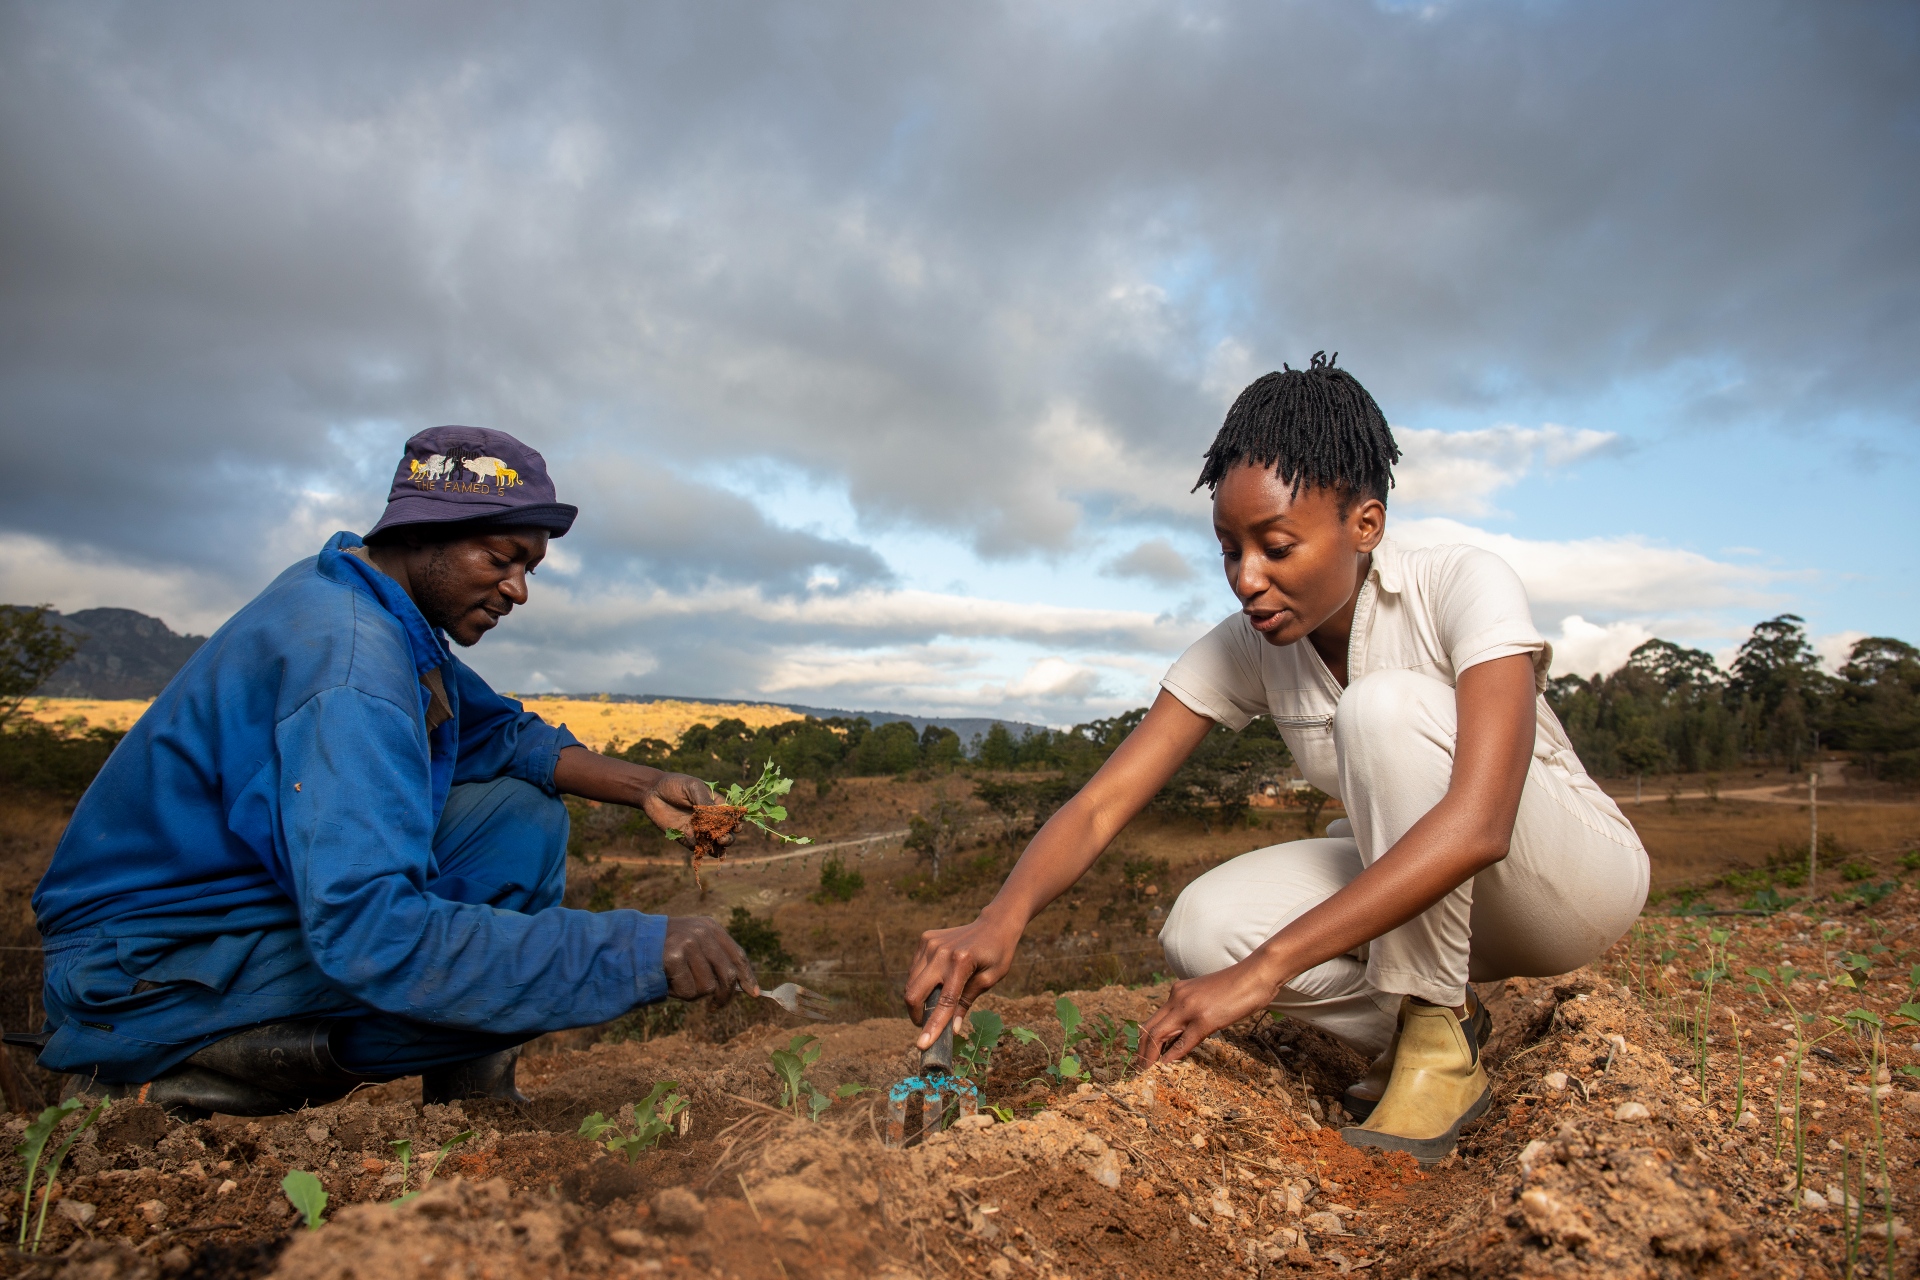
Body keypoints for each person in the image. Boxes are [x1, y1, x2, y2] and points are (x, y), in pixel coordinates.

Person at [904, 355, 1648, 1164]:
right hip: (1434, 911)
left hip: (1564, 882)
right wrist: (999, 918)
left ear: (1365, 525)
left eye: (1277, 546)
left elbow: (1481, 825)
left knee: (1384, 709)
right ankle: (1439, 1018)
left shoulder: (1462, 583)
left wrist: (1266, 972)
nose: (1247, 580)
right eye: (1229, 550)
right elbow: (1100, 805)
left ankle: (1435, 1044)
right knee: (1203, 929)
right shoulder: (1250, 646)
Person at [28, 427, 758, 1116]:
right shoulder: (351, 668)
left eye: (528, 569)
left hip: (222, 916)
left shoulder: (362, 594)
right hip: (140, 968)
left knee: (520, 818)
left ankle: (467, 1106)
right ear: (419, 533)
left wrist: (642, 787)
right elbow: (372, 934)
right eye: (501, 558)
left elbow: (499, 733)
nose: (519, 590)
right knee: (498, 981)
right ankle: (167, 1072)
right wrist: (632, 950)